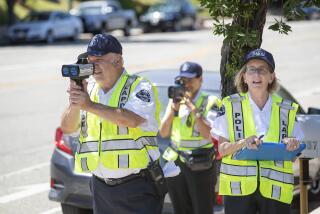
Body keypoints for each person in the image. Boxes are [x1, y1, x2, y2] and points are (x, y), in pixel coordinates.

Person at [60, 34, 179, 214]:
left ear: (118, 61)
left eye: (99, 60)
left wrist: (89, 105)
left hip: (136, 186)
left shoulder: (139, 86)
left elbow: (130, 120)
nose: (93, 66)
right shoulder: (89, 90)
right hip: (100, 187)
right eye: (90, 60)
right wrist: (76, 102)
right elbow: (67, 128)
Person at [210, 48, 304, 214]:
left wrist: (293, 145)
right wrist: (242, 143)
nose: (256, 75)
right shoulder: (229, 105)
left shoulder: (287, 109)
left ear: (271, 77)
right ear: (244, 77)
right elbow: (222, 150)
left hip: (276, 191)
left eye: (262, 70)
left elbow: (295, 155)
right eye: (251, 70)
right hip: (238, 190)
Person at [159, 61, 222, 214]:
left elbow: (208, 134)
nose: (186, 84)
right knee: (180, 209)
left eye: (190, 80)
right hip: (175, 163)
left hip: (200, 164)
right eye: (183, 80)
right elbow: (163, 132)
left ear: (200, 79)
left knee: (202, 209)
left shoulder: (211, 102)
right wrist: (173, 109)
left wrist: (193, 108)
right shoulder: (175, 100)